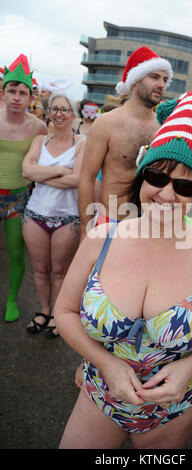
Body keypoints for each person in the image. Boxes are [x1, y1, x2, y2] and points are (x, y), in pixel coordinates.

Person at [54, 91, 192, 449]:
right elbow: (63, 312)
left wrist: (189, 366)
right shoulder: (101, 237)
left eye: (184, 184)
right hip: (99, 398)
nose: (167, 194)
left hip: (175, 410)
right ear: (142, 177)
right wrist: (103, 361)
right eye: (157, 176)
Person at [78, 46, 173, 239]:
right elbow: (87, 178)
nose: (162, 84)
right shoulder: (106, 123)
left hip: (149, 228)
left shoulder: (163, 128)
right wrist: (85, 229)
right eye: (154, 77)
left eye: (165, 79)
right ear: (135, 80)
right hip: (112, 222)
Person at [22, 92, 85, 338]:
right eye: (55, 109)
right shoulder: (40, 141)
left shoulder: (82, 143)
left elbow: (77, 180)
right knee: (39, 269)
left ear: (72, 114)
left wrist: (41, 172)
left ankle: (58, 314)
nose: (59, 114)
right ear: (49, 113)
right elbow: (26, 171)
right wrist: (60, 170)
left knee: (60, 271)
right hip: (35, 214)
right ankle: (44, 310)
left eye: (64, 109)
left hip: (67, 218)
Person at [0, 54, 47, 322]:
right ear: (4, 92)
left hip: (18, 199)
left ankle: (11, 299)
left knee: (17, 252)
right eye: (12, 91)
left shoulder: (38, 127)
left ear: (30, 97)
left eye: (23, 92)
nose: (17, 97)